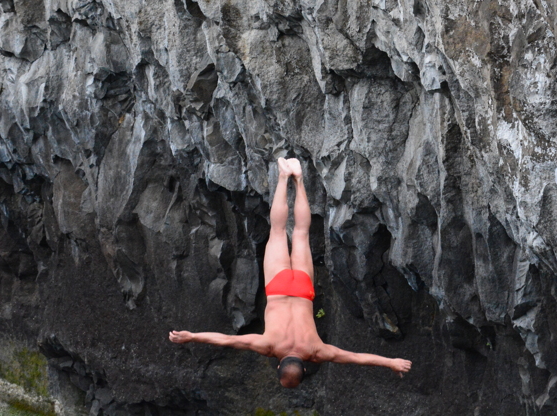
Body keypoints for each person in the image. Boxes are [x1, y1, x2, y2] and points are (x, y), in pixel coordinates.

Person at [169, 158, 412, 388]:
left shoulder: (316, 351)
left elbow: (356, 358)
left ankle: (298, 179)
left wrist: (390, 362)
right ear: (277, 365)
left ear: (305, 368)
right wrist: (191, 336)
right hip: (278, 287)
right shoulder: (268, 346)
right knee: (277, 231)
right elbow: (227, 340)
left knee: (301, 233)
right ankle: (284, 176)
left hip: (304, 289)